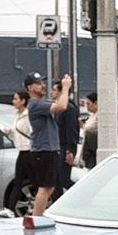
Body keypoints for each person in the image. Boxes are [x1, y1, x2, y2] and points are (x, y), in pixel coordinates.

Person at [25, 72, 71, 216]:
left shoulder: (42, 103)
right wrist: (66, 87)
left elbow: (58, 104)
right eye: (39, 84)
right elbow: (62, 106)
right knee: (45, 187)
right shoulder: (35, 104)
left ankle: (37, 216)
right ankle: (36, 218)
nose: (43, 86)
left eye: (43, 83)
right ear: (30, 88)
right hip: (43, 150)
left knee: (49, 187)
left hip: (48, 149)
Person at [53, 77, 81, 195]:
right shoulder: (59, 107)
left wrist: (70, 150)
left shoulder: (69, 108)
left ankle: (82, 194)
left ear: (61, 91)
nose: (52, 92)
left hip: (65, 146)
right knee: (57, 180)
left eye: (54, 90)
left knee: (63, 179)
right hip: (59, 146)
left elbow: (72, 129)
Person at [10, 89, 33, 200]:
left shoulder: (28, 116)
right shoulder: (17, 115)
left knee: (34, 181)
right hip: (22, 151)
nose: (13, 101)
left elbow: (32, 132)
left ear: (23, 101)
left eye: (16, 99)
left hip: (29, 152)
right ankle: (11, 206)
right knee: (18, 181)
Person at [81, 91, 98, 168]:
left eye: (88, 104)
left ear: (96, 103)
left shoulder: (98, 117)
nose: (87, 106)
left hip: (92, 150)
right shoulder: (92, 116)